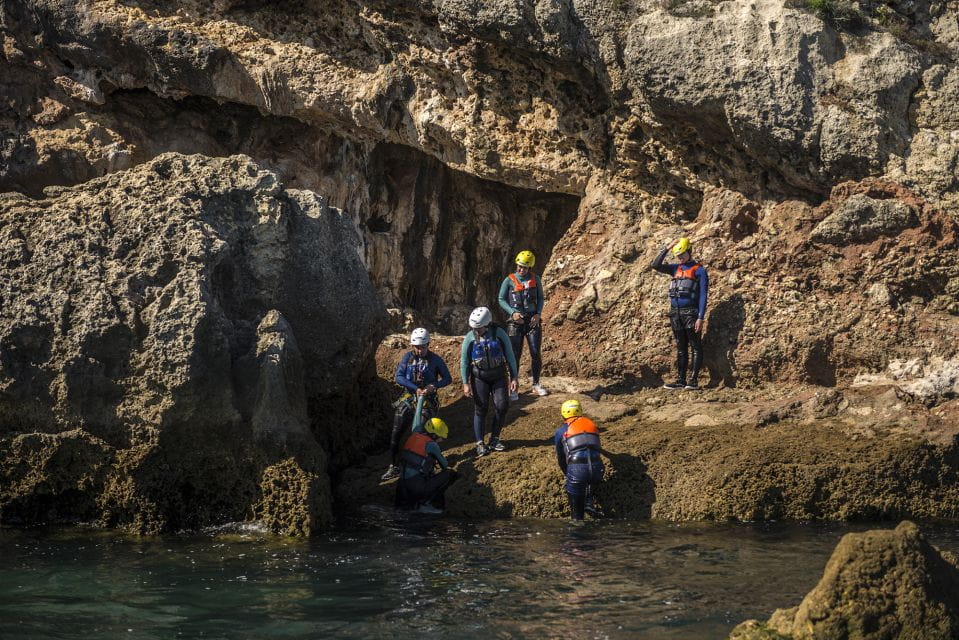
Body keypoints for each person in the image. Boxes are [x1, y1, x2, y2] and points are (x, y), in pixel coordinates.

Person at [381, 328, 453, 480]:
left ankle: (427, 463)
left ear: (428, 344)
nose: (420, 350)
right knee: (396, 433)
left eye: (422, 347)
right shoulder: (407, 358)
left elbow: (447, 378)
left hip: (428, 401)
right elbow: (399, 377)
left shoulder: (435, 360)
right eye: (417, 347)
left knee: (424, 434)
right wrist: (415, 388)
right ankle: (394, 466)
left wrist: (434, 385)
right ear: (412, 346)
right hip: (409, 398)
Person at [460, 306, 519, 457]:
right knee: (481, 408)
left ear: (487, 324)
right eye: (474, 328)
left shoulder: (499, 334)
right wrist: (465, 383)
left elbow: (510, 355)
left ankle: (494, 439)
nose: (476, 331)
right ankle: (480, 443)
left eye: (479, 328)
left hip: (499, 375)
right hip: (479, 377)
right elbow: (464, 361)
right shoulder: (470, 338)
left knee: (502, 405)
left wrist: (514, 377)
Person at [651, 237, 709, 390]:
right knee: (681, 348)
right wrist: (668, 247)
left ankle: (693, 381)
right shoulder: (675, 268)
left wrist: (700, 317)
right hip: (675, 314)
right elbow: (655, 265)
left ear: (689, 251)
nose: (680, 258)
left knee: (695, 346)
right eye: (678, 255)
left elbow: (703, 295)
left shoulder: (699, 270)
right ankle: (680, 381)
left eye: (682, 254)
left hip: (691, 314)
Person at [498, 250, 547, 399]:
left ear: (529, 267)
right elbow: (501, 299)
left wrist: (538, 314)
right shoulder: (509, 280)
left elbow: (540, 298)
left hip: (532, 320)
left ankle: (536, 384)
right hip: (515, 322)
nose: (521, 269)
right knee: (514, 355)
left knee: (535, 352)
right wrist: (512, 312)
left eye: (524, 267)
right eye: (519, 266)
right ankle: (513, 386)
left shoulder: (535, 279)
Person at [554, 399, 604, 522]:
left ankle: (579, 522)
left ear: (563, 414)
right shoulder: (592, 426)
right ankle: (588, 500)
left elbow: (561, 459)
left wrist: (568, 474)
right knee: (591, 476)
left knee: (576, 520)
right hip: (598, 469)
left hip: (577, 470)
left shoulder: (561, 431)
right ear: (580, 411)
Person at [395, 414, 457, 514]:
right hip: (416, 488)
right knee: (448, 474)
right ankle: (426, 503)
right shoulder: (431, 444)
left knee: (401, 512)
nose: (441, 440)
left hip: (401, 486)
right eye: (441, 437)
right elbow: (445, 465)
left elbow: (416, 418)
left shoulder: (414, 434)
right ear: (434, 435)